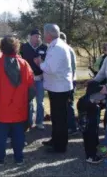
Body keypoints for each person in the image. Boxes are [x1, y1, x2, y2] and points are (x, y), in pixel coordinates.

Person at [0, 36, 35, 166]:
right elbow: (32, 88)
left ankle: (0, 159)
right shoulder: (25, 64)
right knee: (19, 135)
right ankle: (19, 158)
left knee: (1, 134)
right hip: (20, 107)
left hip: (2, 107)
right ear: (16, 47)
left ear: (2, 48)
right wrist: (25, 100)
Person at [34, 24, 73, 154]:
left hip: (59, 88)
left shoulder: (57, 48)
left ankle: (60, 146)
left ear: (49, 35)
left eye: (44, 33)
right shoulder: (55, 45)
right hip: (57, 87)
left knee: (60, 118)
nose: (44, 36)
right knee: (56, 117)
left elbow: (51, 68)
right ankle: (55, 140)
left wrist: (40, 63)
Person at [20, 29, 48, 130]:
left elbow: (47, 62)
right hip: (28, 79)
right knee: (29, 101)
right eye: (36, 36)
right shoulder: (24, 47)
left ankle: (39, 122)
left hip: (40, 78)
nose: (38, 38)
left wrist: (41, 61)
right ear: (30, 36)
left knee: (40, 102)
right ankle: (29, 122)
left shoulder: (44, 47)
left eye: (39, 36)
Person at [77, 82, 106, 164]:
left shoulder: (94, 100)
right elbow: (81, 106)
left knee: (94, 140)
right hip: (87, 126)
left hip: (93, 125)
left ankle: (94, 153)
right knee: (90, 141)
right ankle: (91, 157)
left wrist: (101, 103)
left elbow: (99, 106)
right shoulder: (84, 101)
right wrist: (93, 102)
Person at [59, 32, 78, 135]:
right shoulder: (67, 49)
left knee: (69, 104)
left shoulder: (67, 50)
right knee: (67, 104)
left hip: (69, 82)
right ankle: (68, 125)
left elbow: (72, 68)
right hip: (68, 81)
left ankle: (72, 127)